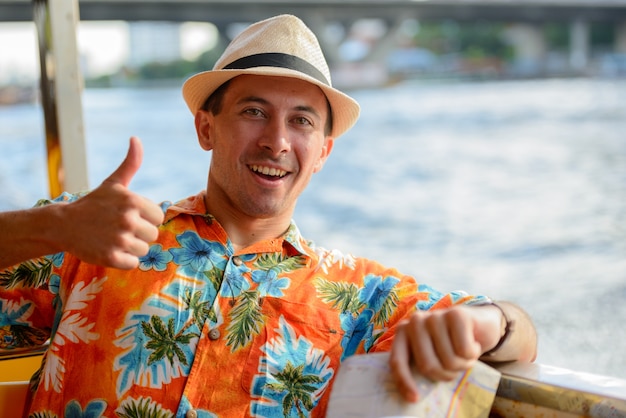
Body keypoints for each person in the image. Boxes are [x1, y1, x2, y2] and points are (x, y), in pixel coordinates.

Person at [0, 14, 536, 417]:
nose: (277, 141)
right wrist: (51, 226)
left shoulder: (360, 295)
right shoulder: (97, 234)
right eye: (253, 112)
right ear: (206, 128)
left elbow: (519, 332)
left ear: (322, 153)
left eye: (301, 121)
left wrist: (484, 322)